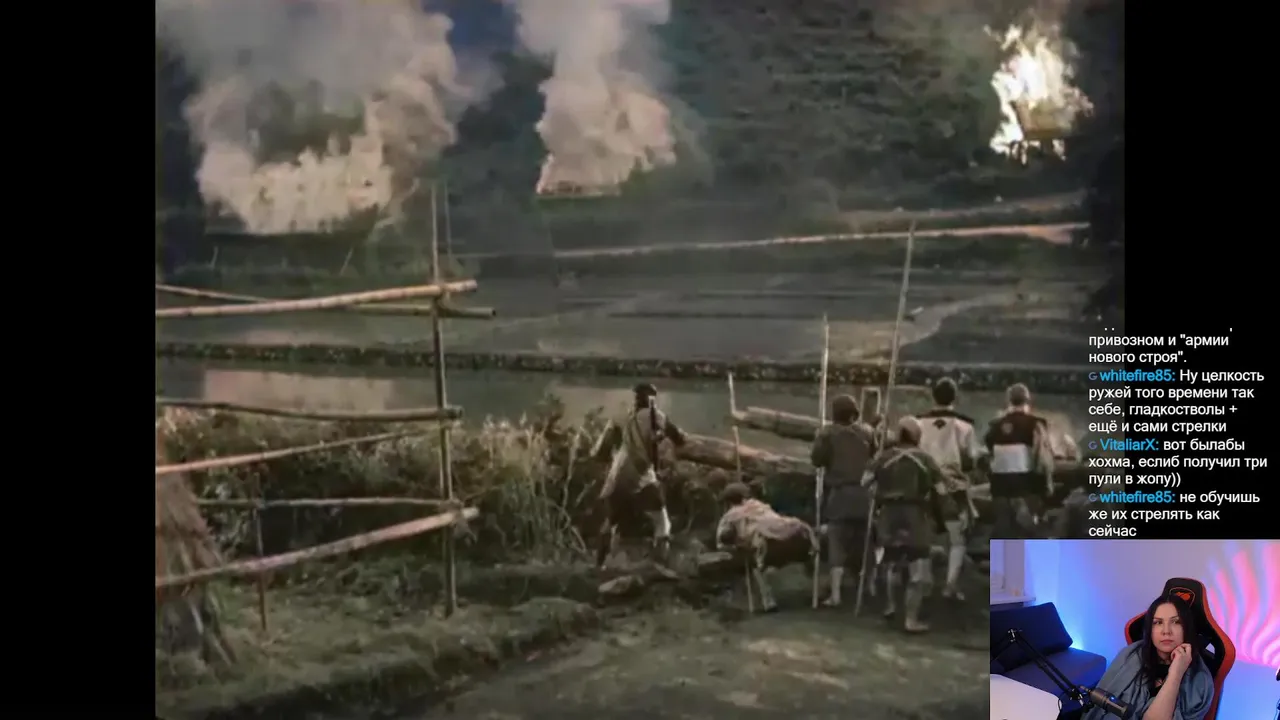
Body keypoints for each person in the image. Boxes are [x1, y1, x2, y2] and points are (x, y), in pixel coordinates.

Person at [862, 416, 948, 633]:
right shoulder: (925, 459)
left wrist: (878, 494)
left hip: (889, 514)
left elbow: (865, 481)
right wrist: (941, 513)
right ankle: (910, 620)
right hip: (914, 514)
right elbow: (941, 490)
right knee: (918, 568)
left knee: (892, 561)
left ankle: (891, 606)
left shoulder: (884, 457)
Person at [591, 382, 687, 569]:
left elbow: (600, 452)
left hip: (617, 476)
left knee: (611, 522)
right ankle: (660, 565)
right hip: (643, 476)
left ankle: (598, 566)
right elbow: (679, 439)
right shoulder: (656, 417)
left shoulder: (619, 418)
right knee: (662, 522)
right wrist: (659, 437)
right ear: (651, 398)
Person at [1080, 595, 1215, 720]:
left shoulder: (1200, 681)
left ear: (1187, 628)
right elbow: (1098, 706)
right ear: (1150, 629)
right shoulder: (1130, 655)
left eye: (1176, 622)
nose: (1166, 631)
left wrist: (1176, 674)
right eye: (1158, 622)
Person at [917, 377, 985, 600]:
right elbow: (971, 460)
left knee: (925, 537)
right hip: (954, 488)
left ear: (933, 396)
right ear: (955, 397)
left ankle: (924, 581)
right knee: (957, 539)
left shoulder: (918, 423)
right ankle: (950, 585)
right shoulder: (964, 426)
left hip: (925, 486)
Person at [810, 394, 877, 607]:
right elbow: (874, 456)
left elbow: (817, 460)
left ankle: (836, 595)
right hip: (864, 493)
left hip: (840, 494)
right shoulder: (868, 432)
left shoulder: (827, 433)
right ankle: (870, 587)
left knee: (837, 543)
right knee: (866, 542)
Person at [715, 482, 818, 613]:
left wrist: (735, 544)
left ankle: (768, 601)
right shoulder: (760, 506)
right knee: (762, 553)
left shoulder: (730, 516)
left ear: (728, 501)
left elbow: (721, 541)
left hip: (766, 547)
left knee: (754, 562)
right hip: (793, 538)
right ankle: (815, 584)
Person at [984, 383, 1055, 539]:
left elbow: (990, 456)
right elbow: (1043, 459)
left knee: (1004, 530)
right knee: (1027, 531)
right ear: (1028, 400)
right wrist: (1047, 484)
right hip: (1027, 486)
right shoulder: (1036, 424)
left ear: (1008, 400)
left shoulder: (994, 426)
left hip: (999, 486)